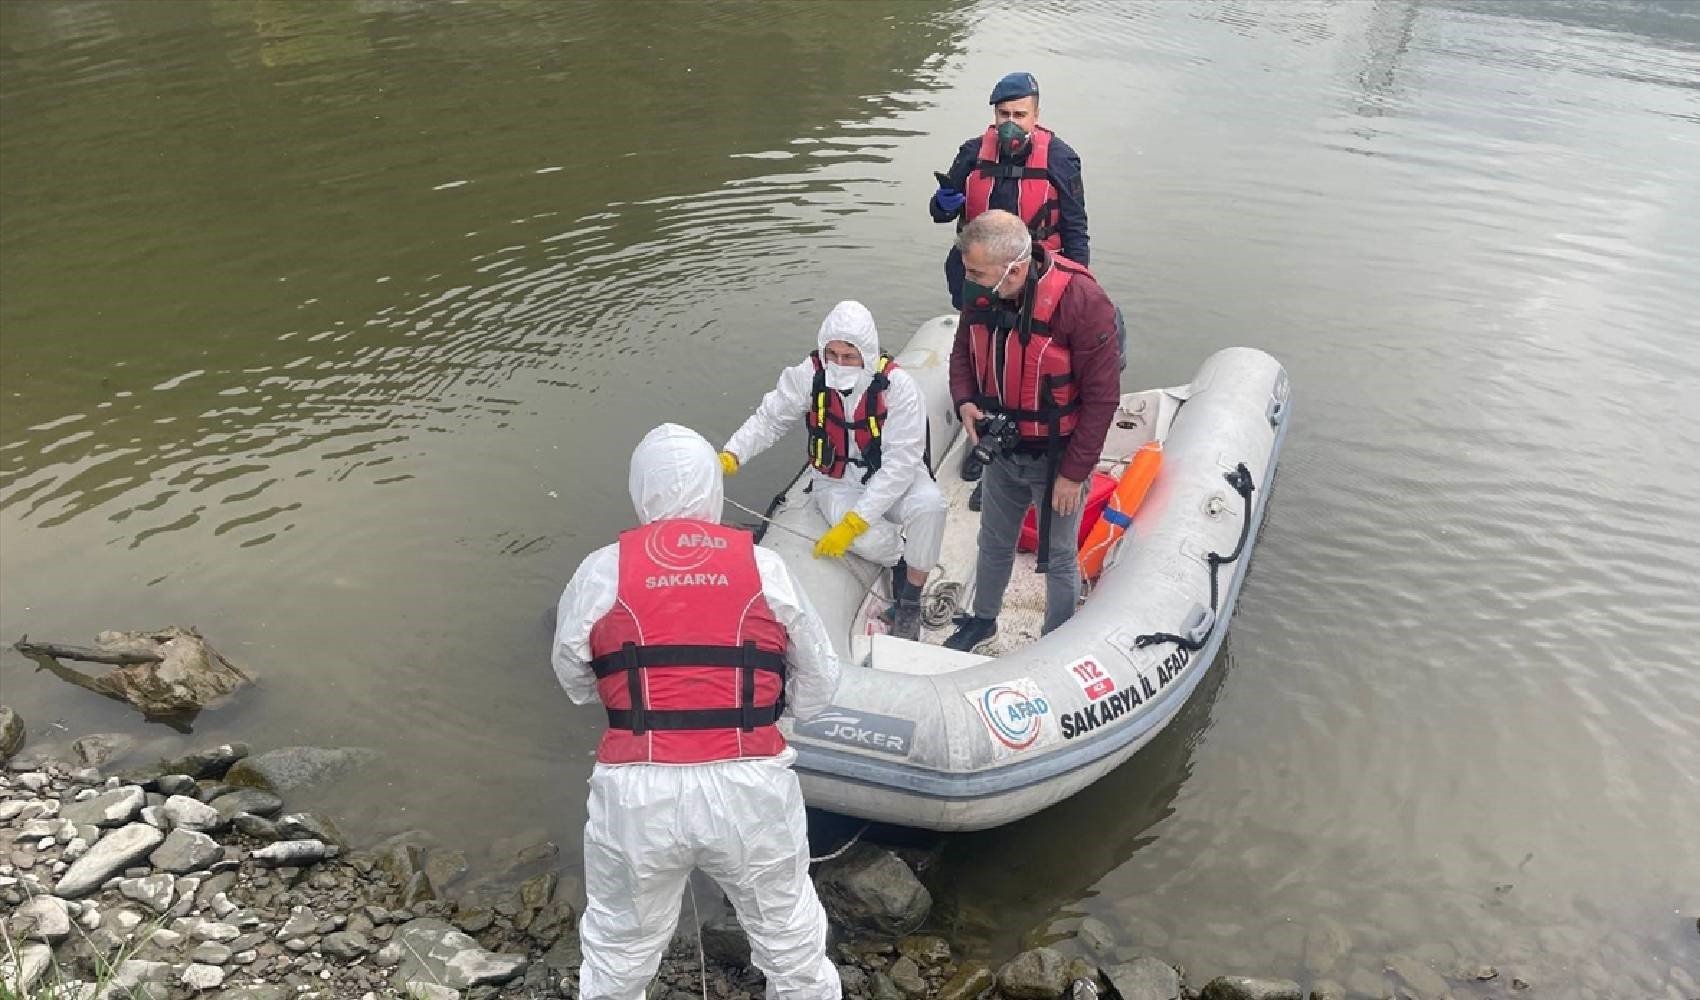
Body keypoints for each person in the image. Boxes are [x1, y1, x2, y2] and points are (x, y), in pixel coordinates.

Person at [551, 423, 842, 1000]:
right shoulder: (766, 567)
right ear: (712, 486)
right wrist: (776, 722)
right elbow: (821, 677)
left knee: (617, 948)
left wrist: (629, 704)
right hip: (750, 789)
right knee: (790, 940)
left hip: (637, 793)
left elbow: (573, 675)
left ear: (641, 489)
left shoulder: (600, 570)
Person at [944, 210, 1121, 651]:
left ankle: (1056, 638)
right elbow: (963, 352)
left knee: (1059, 554)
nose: (970, 282)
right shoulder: (983, 292)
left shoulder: (1081, 301)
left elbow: (1102, 399)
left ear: (1016, 269)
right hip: (1001, 448)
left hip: (1057, 456)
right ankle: (982, 620)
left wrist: (1074, 473)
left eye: (977, 273)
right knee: (993, 540)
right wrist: (965, 398)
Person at [720, 301, 947, 641]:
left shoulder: (898, 388)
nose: (839, 364)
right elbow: (770, 420)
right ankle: (901, 557)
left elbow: (901, 463)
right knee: (866, 541)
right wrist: (732, 454)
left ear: (866, 354)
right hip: (836, 480)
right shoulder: (808, 377)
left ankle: (910, 601)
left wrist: (858, 517)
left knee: (931, 506)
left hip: (893, 476)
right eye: (833, 354)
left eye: (849, 356)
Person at [928, 71, 1089, 312]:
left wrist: (1079, 285)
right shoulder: (971, 154)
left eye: (1019, 115)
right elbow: (939, 215)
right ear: (995, 114)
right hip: (979, 273)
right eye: (1004, 114)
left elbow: (1075, 230)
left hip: (1034, 273)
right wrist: (942, 204)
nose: (1010, 123)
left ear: (1036, 116)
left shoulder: (1061, 160)